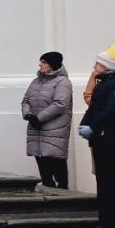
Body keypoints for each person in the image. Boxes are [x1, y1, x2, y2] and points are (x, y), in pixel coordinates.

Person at [78, 43, 115, 228]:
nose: (94, 67)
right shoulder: (103, 84)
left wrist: (93, 126)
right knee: (104, 184)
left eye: (98, 64)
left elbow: (111, 110)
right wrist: (85, 123)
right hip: (102, 142)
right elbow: (92, 108)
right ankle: (105, 222)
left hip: (111, 141)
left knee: (112, 184)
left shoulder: (114, 84)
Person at [21, 52, 73, 190]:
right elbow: (26, 100)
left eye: (43, 62)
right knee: (43, 166)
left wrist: (39, 117)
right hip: (36, 128)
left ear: (52, 64)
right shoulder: (35, 81)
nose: (40, 64)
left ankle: (63, 197)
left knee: (56, 163)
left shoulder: (63, 82)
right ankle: (48, 190)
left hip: (54, 130)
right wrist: (28, 115)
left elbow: (60, 104)